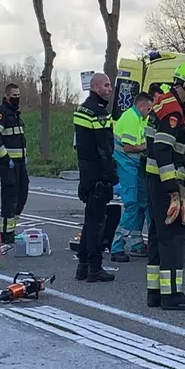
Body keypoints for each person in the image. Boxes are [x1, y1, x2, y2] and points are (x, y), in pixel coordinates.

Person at [145, 62, 185, 311]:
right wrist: (174, 191)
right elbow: (163, 149)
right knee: (174, 236)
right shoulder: (173, 112)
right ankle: (172, 295)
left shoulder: (164, 103)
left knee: (158, 235)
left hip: (152, 179)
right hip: (165, 182)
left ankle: (155, 292)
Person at [73, 73, 118, 283]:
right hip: (99, 173)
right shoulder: (98, 113)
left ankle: (82, 266)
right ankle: (94, 267)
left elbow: (82, 147)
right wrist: (111, 174)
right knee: (97, 223)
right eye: (106, 85)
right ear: (96, 87)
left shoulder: (81, 109)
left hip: (86, 172)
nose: (110, 89)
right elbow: (104, 148)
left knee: (89, 220)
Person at [110, 92, 153, 262]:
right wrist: (146, 146)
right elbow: (128, 147)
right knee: (132, 204)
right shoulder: (131, 118)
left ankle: (136, 244)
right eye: (148, 108)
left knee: (142, 203)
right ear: (141, 106)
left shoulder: (140, 119)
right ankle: (117, 246)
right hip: (127, 164)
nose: (150, 112)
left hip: (136, 165)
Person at [0, 83, 29, 244]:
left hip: (20, 163)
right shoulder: (1, 113)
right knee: (10, 198)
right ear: (7, 96)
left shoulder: (15, 114)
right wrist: (6, 158)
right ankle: (5, 233)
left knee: (22, 194)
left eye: (18, 95)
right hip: (8, 164)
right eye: (14, 95)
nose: (17, 98)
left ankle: (10, 229)